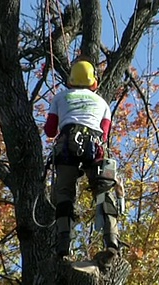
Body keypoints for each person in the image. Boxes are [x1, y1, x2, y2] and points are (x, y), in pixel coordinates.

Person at [44, 60, 121, 258]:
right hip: (95, 148)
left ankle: (63, 243)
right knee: (104, 192)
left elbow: (50, 130)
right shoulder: (102, 103)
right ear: (93, 80)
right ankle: (112, 240)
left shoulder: (60, 97)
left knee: (64, 193)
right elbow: (104, 134)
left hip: (66, 148)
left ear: (71, 79)